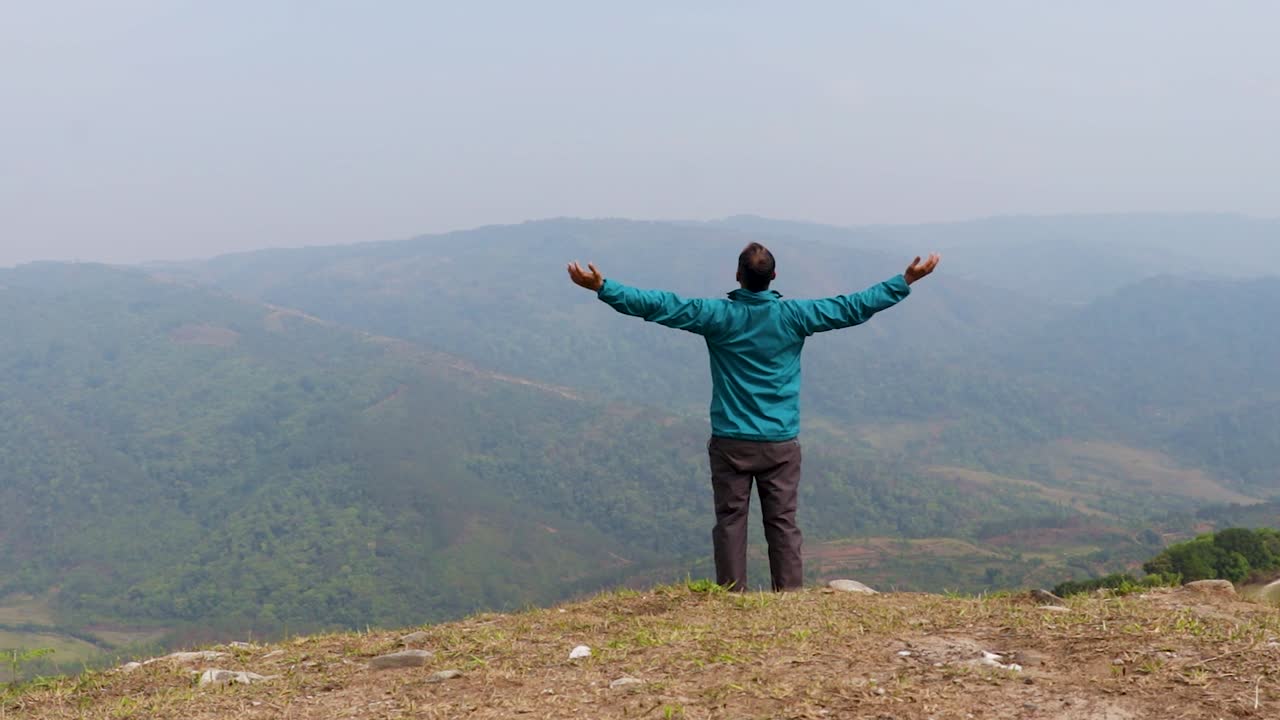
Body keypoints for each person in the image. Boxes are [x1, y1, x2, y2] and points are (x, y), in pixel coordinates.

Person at [567, 243, 940, 591]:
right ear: (774, 277)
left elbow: (660, 305)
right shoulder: (795, 316)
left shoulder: (716, 315)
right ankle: (789, 596)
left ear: (737, 276)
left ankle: (732, 594)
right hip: (779, 442)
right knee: (783, 524)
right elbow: (851, 306)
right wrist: (904, 281)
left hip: (731, 440)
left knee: (730, 522)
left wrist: (603, 286)